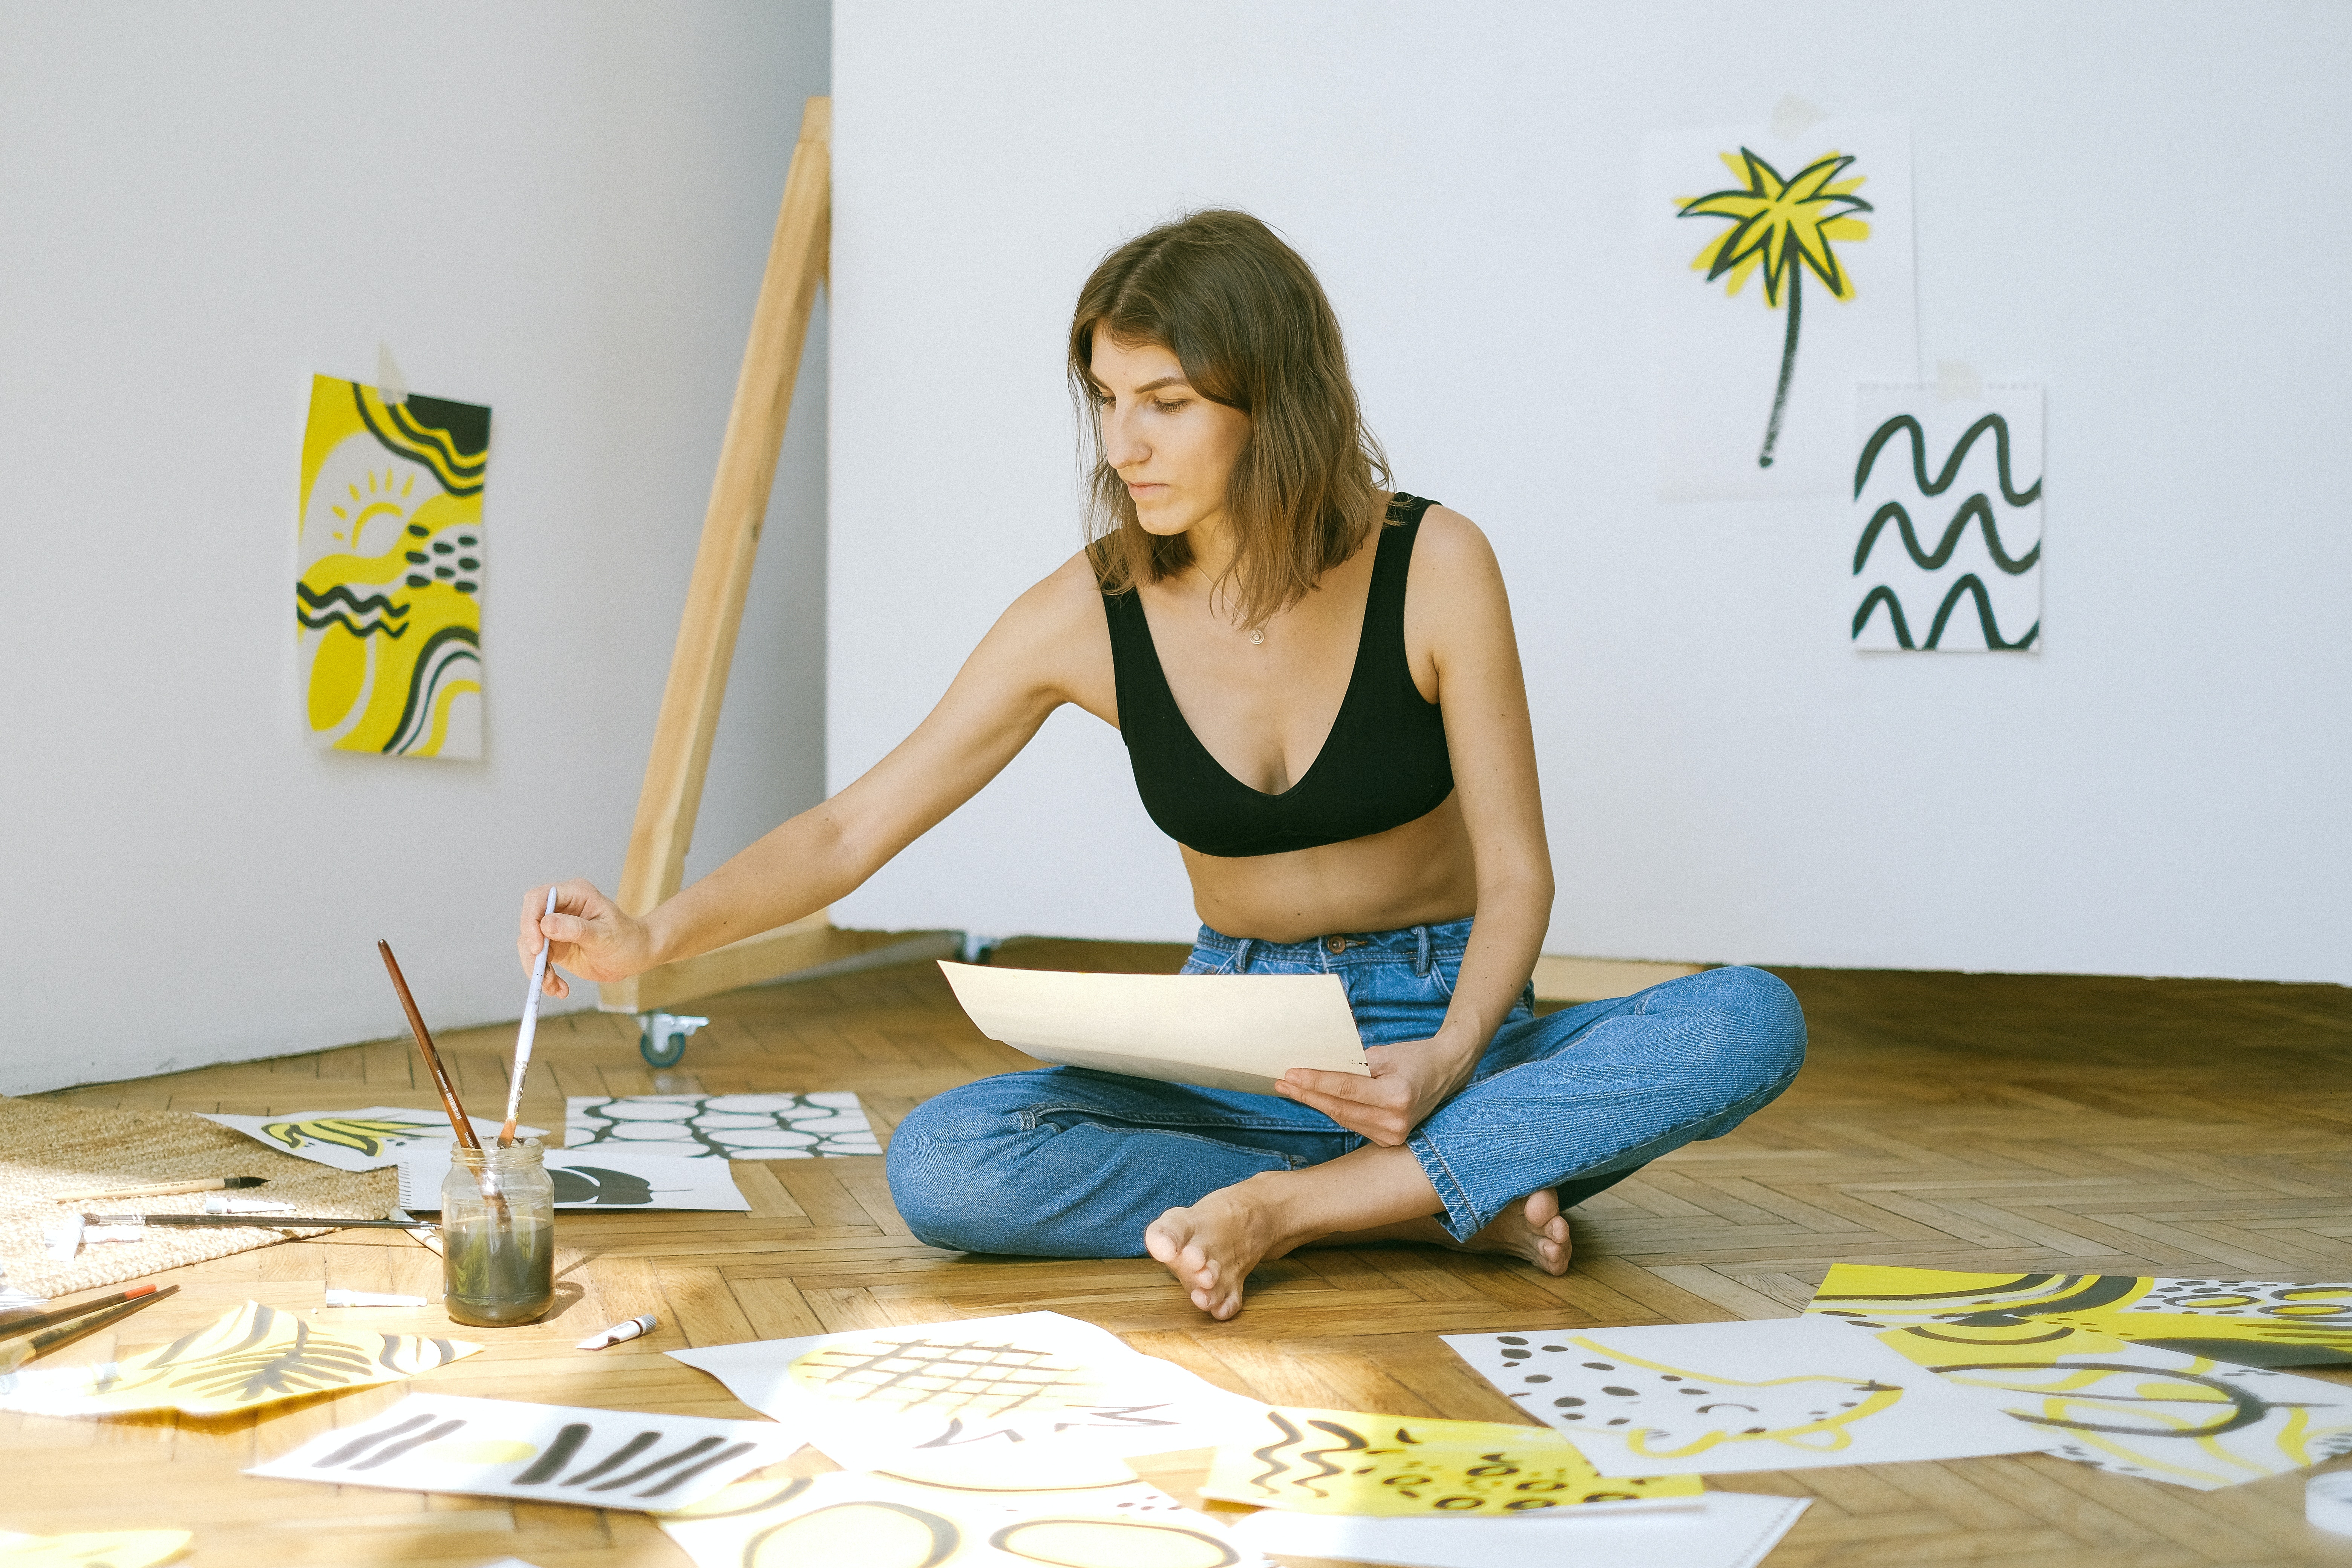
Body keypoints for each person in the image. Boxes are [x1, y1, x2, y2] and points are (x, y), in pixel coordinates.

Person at [519, 210, 1806, 1320]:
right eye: (1106, 399)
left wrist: (1458, 1052)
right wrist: (651, 935)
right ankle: (1398, 1207)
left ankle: (1322, 1204)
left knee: (1748, 1015)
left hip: (1441, 1038)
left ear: (1275, 399)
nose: (1123, 444)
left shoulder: (1436, 567)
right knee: (947, 1161)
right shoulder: (1088, 612)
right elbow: (855, 831)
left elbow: (1520, 877)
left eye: (1169, 404)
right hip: (1228, 1058)